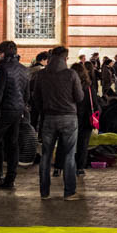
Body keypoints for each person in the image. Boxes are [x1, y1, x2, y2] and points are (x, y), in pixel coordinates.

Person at [30, 45, 85, 200]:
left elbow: (36, 99)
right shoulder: (71, 74)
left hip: (48, 118)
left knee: (46, 155)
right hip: (68, 118)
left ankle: (44, 192)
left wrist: (44, 111)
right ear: (65, 58)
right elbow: (80, 97)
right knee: (69, 154)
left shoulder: (41, 75)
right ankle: (69, 192)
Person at [0, 41, 29, 191]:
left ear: (3, 53)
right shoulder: (24, 69)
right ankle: (10, 178)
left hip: (4, 110)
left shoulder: (3, 68)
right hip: (18, 110)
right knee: (13, 144)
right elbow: (26, 93)